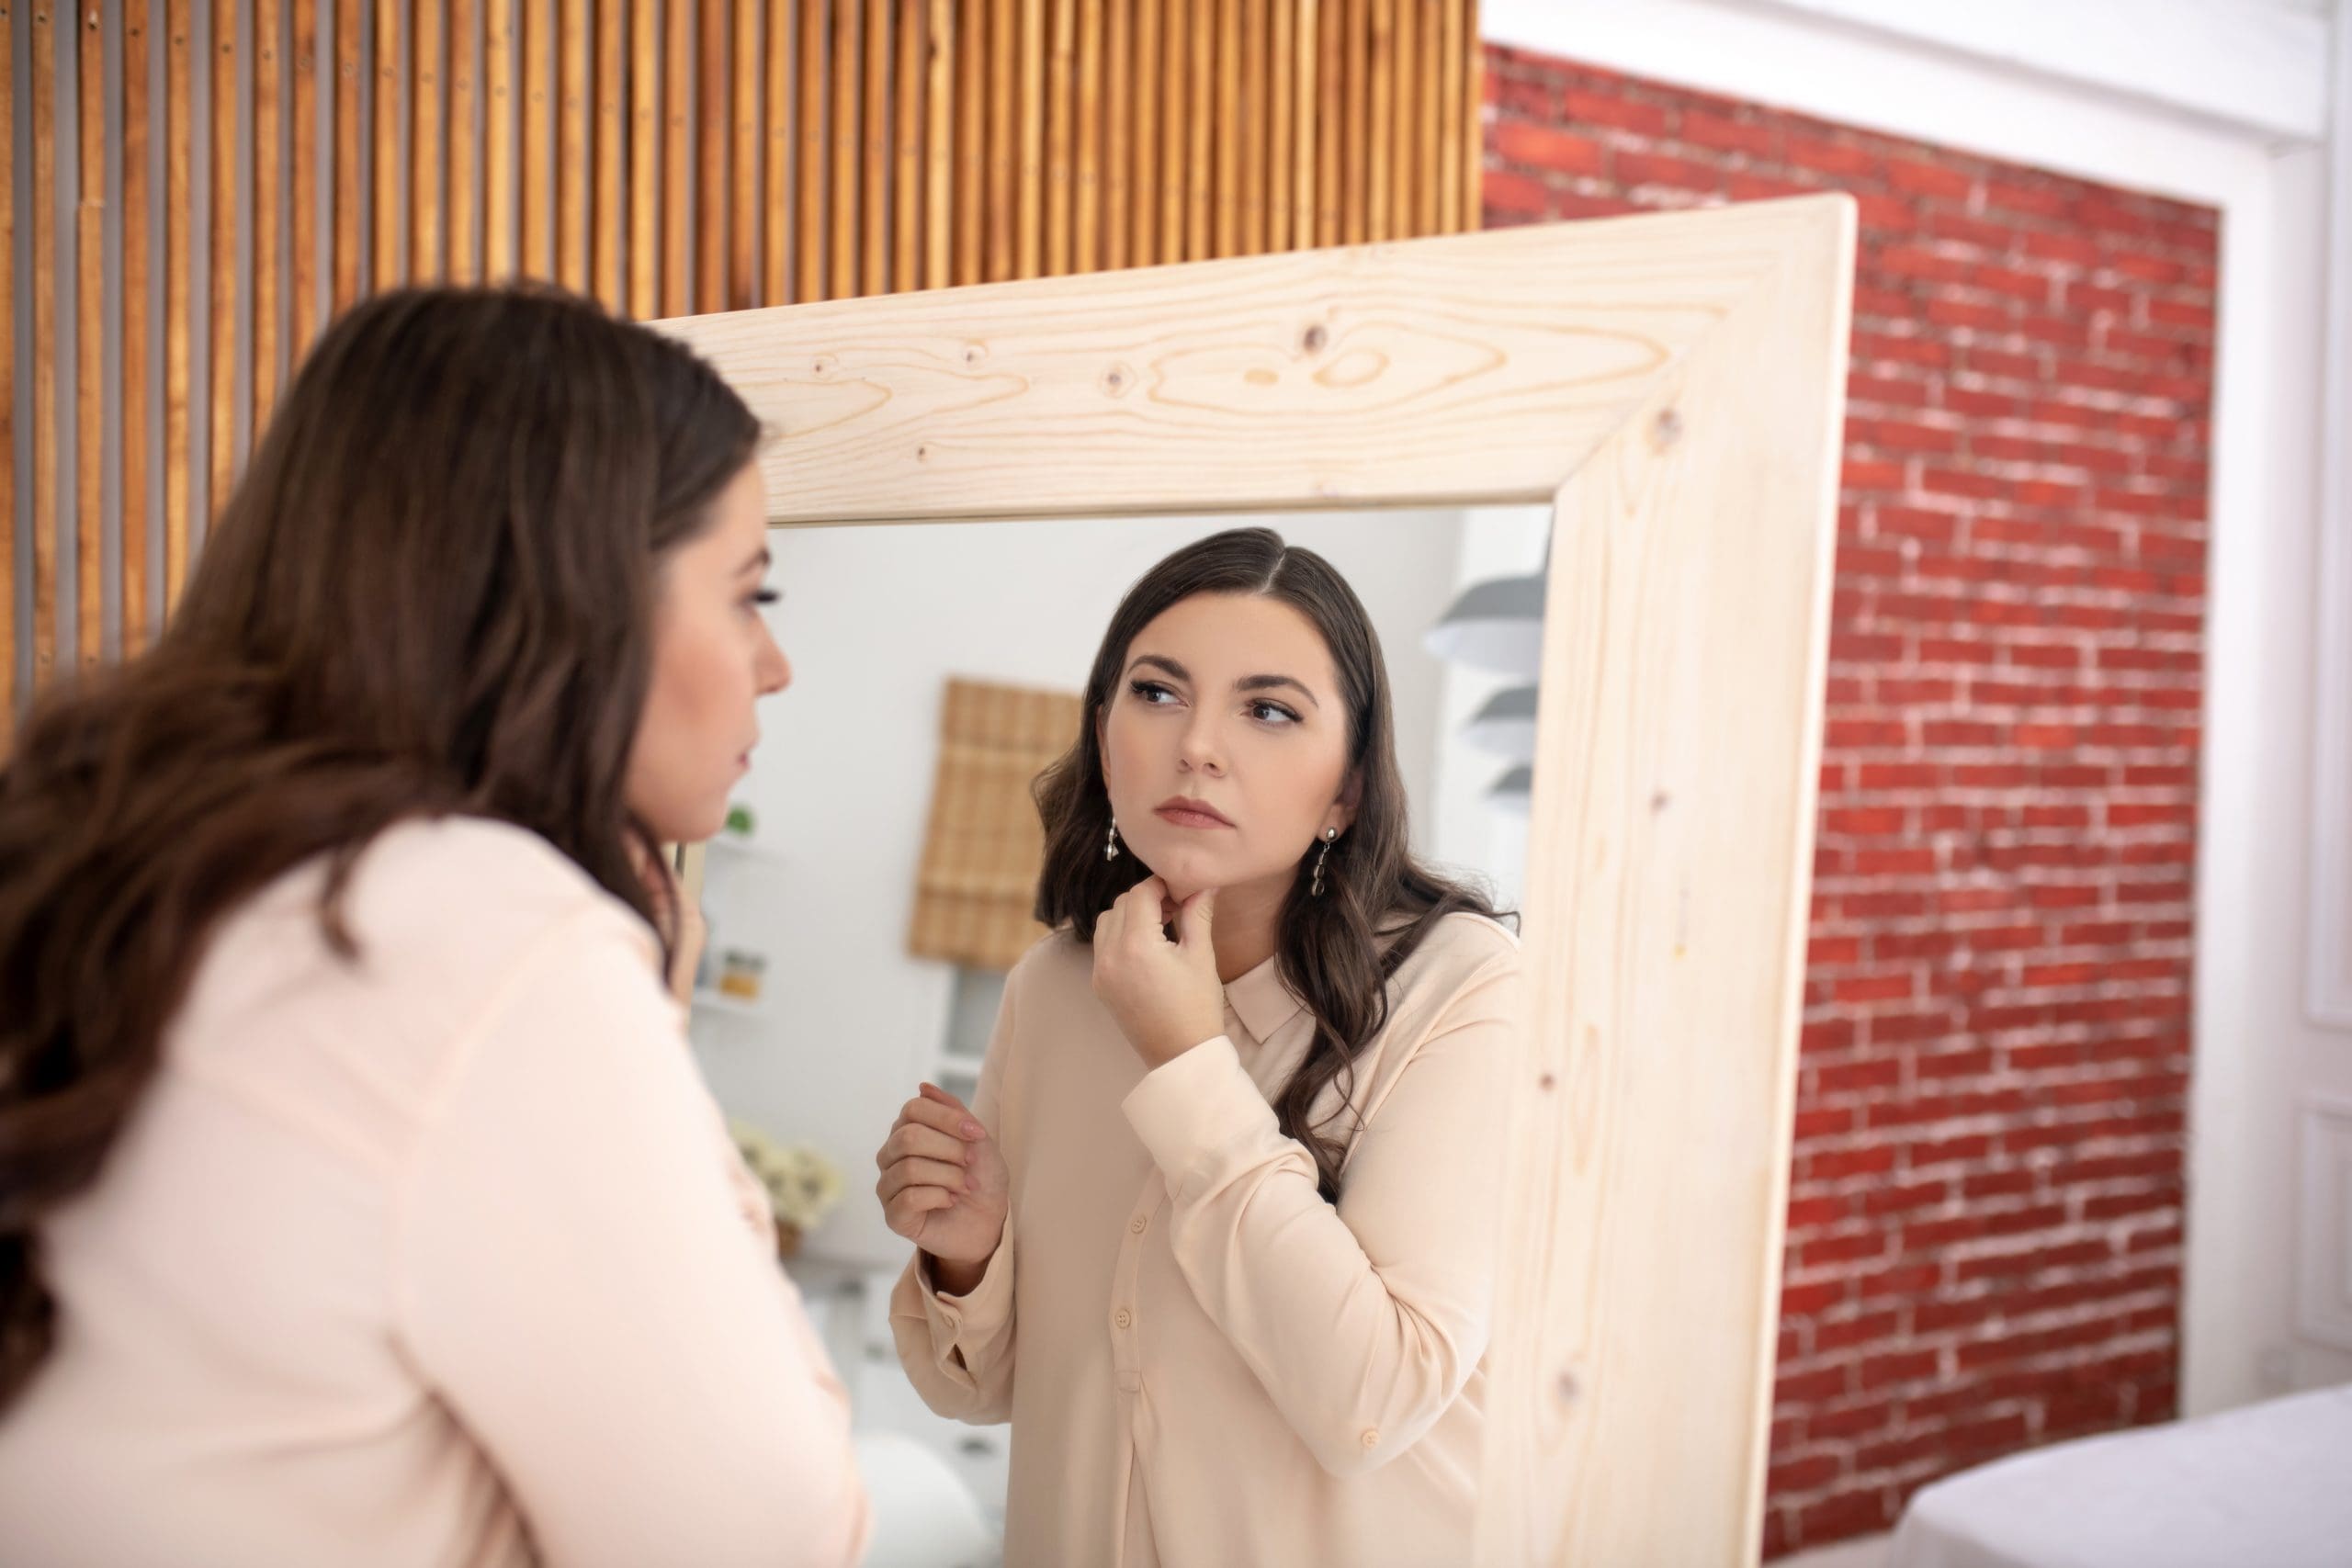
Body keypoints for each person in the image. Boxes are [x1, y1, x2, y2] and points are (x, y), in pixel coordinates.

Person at [0, 287, 867, 1566]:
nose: (773, 662)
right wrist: (658, 1042)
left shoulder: (127, 848)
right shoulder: (475, 929)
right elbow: (770, 1538)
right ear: (577, 592)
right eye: (751, 591)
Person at [875, 526, 1525, 1566]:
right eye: (1157, 693)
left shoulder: (1459, 984)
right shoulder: (1052, 990)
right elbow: (978, 1389)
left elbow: (1376, 1397)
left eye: (1268, 710)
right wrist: (968, 1252)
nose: (1197, 746)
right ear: (1102, 736)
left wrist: (1184, 1065)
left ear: (1347, 788)